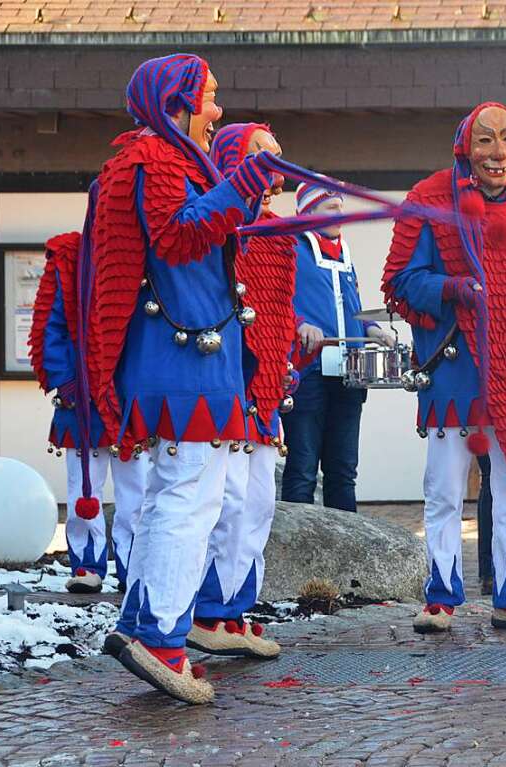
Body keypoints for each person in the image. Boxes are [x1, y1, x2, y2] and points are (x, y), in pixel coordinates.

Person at [89, 54, 279, 704]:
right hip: (182, 358)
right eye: (211, 98)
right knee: (189, 495)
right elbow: (174, 237)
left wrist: (239, 189)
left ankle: (146, 624)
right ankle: (162, 638)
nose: (218, 112)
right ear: (177, 102)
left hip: (185, 353)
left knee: (183, 493)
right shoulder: (157, 161)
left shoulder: (158, 159)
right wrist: (240, 183)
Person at [383, 102, 506, 632]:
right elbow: (400, 280)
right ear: (465, 148)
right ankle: (441, 596)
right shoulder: (428, 200)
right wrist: (448, 288)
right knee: (444, 488)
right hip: (454, 372)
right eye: (486, 141)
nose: (498, 153)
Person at [180, 122, 297, 661]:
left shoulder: (279, 235)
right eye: (259, 157)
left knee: (258, 503)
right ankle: (204, 609)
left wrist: (286, 359)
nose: (271, 169)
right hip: (225, 378)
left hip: (266, 381)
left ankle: (233, 607)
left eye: (277, 158)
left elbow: (281, 308)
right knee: (223, 501)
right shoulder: (213, 222)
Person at [29, 229, 148, 595]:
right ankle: (86, 565)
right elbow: (53, 326)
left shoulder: (142, 253)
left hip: (131, 392)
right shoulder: (69, 259)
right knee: (83, 486)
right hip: (82, 393)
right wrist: (66, 381)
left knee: (137, 491)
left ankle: (134, 566)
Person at [279, 181, 396, 512]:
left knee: (343, 472)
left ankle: (345, 553)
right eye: (332, 208)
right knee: (302, 469)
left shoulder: (345, 254)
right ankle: (299, 558)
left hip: (347, 372)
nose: (340, 215)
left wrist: (373, 329)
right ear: (309, 212)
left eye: (341, 208)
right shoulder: (291, 248)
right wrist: (298, 323)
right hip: (308, 371)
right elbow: (274, 300)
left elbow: (351, 308)